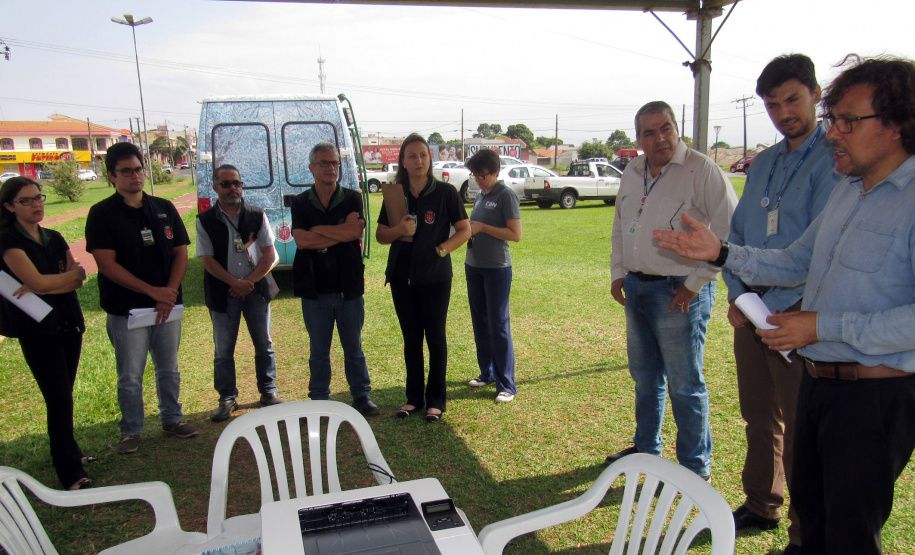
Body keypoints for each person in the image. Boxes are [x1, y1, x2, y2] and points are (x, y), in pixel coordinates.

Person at [653, 55, 915, 555]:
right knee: (813, 520)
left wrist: (819, 325)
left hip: (875, 396)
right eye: (834, 119)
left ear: (898, 124)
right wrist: (721, 253)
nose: (834, 133)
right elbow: (796, 259)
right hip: (821, 383)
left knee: (850, 534)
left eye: (847, 121)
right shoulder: (851, 189)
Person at [724, 54, 840, 551]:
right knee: (758, 415)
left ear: (815, 93)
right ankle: (761, 503)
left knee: (801, 430)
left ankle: (803, 533)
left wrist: (781, 305)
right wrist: (738, 296)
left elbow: (820, 250)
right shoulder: (765, 162)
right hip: (751, 313)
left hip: (795, 318)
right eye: (772, 104)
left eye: (791, 99)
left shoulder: (833, 158)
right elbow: (738, 234)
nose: (782, 111)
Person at [606, 101, 736, 480]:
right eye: (649, 132)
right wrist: (619, 273)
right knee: (645, 378)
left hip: (681, 292)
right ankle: (646, 451)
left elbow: (730, 232)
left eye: (665, 128)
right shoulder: (632, 170)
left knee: (685, 385)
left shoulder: (701, 169)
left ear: (676, 128)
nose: (659, 138)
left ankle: (695, 471)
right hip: (638, 287)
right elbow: (620, 224)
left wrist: (695, 284)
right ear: (639, 139)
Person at [85, 142, 197, 455]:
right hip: (128, 309)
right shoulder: (102, 214)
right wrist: (154, 293)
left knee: (169, 368)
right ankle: (131, 430)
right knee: (131, 374)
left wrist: (169, 292)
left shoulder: (163, 207)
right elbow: (106, 265)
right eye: (126, 171)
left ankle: (172, 418)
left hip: (167, 307)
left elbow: (180, 254)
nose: (135, 176)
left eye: (138, 169)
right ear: (111, 176)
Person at [0, 177, 94, 490]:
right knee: (57, 398)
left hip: (68, 322)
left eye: (38, 197)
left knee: (64, 394)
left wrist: (54, 281)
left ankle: (72, 452)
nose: (36, 204)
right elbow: (39, 284)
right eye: (26, 200)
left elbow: (79, 279)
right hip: (37, 330)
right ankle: (70, 474)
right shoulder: (8, 241)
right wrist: (57, 280)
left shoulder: (53, 237)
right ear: (10, 206)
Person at [376, 133, 471, 422]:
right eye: (411, 156)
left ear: (429, 160)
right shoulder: (394, 194)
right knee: (411, 339)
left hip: (435, 278)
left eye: (422, 155)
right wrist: (400, 232)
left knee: (435, 338)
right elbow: (381, 235)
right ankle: (413, 399)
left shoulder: (445, 193)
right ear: (402, 161)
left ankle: (436, 401)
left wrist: (442, 249)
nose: (418, 160)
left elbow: (465, 229)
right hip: (401, 277)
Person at [291, 142, 378, 417]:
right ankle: (319, 399)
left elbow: (356, 233)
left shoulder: (352, 197)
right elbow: (302, 241)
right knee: (319, 350)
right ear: (312, 168)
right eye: (325, 163)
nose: (331, 168)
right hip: (315, 288)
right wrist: (340, 229)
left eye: (335, 163)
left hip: (348, 286)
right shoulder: (301, 202)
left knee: (354, 347)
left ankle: (361, 395)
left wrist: (322, 231)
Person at [197, 164, 283, 423]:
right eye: (226, 184)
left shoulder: (257, 215)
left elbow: (269, 253)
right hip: (224, 294)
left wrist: (248, 282)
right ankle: (226, 398)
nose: (233, 188)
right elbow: (207, 260)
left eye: (237, 183)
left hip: (255, 291)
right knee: (224, 349)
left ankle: (268, 392)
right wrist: (234, 282)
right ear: (215, 187)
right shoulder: (205, 220)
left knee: (264, 344)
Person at [463, 148, 522, 402]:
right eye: (474, 175)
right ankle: (486, 372)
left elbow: (515, 234)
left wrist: (483, 227)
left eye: (482, 175)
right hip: (473, 265)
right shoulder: (479, 195)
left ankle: (506, 384)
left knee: (498, 324)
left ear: (496, 171)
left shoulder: (506, 195)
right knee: (480, 322)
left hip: (497, 269)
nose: (478, 179)